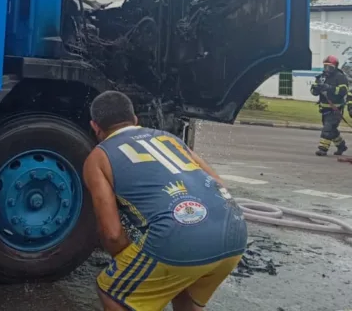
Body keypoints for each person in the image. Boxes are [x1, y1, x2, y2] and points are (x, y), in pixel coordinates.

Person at [84, 91, 247, 311]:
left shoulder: (98, 158)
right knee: (182, 292)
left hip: (179, 237)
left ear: (95, 126)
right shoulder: (170, 138)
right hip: (234, 231)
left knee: (112, 292)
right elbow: (219, 184)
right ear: (135, 120)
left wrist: (130, 264)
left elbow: (112, 234)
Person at [311, 55, 350, 156]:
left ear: (335, 67)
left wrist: (329, 87)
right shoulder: (321, 77)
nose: (327, 69)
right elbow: (313, 91)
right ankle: (341, 146)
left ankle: (323, 149)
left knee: (327, 128)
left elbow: (343, 91)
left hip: (335, 109)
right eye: (325, 66)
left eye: (330, 67)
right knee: (332, 130)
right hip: (324, 109)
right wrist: (316, 88)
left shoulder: (340, 77)